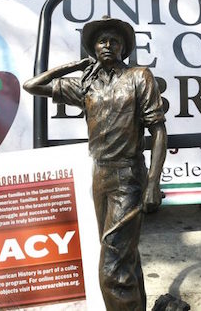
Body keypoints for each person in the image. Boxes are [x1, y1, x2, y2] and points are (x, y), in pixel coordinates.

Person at [23, 16, 167, 310]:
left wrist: (153, 183)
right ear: (93, 48)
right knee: (124, 254)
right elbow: (32, 85)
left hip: (129, 174)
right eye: (101, 41)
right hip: (100, 175)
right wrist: (74, 66)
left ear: (123, 47)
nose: (108, 45)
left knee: (112, 265)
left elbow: (159, 130)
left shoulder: (139, 77)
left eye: (114, 40)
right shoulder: (87, 86)